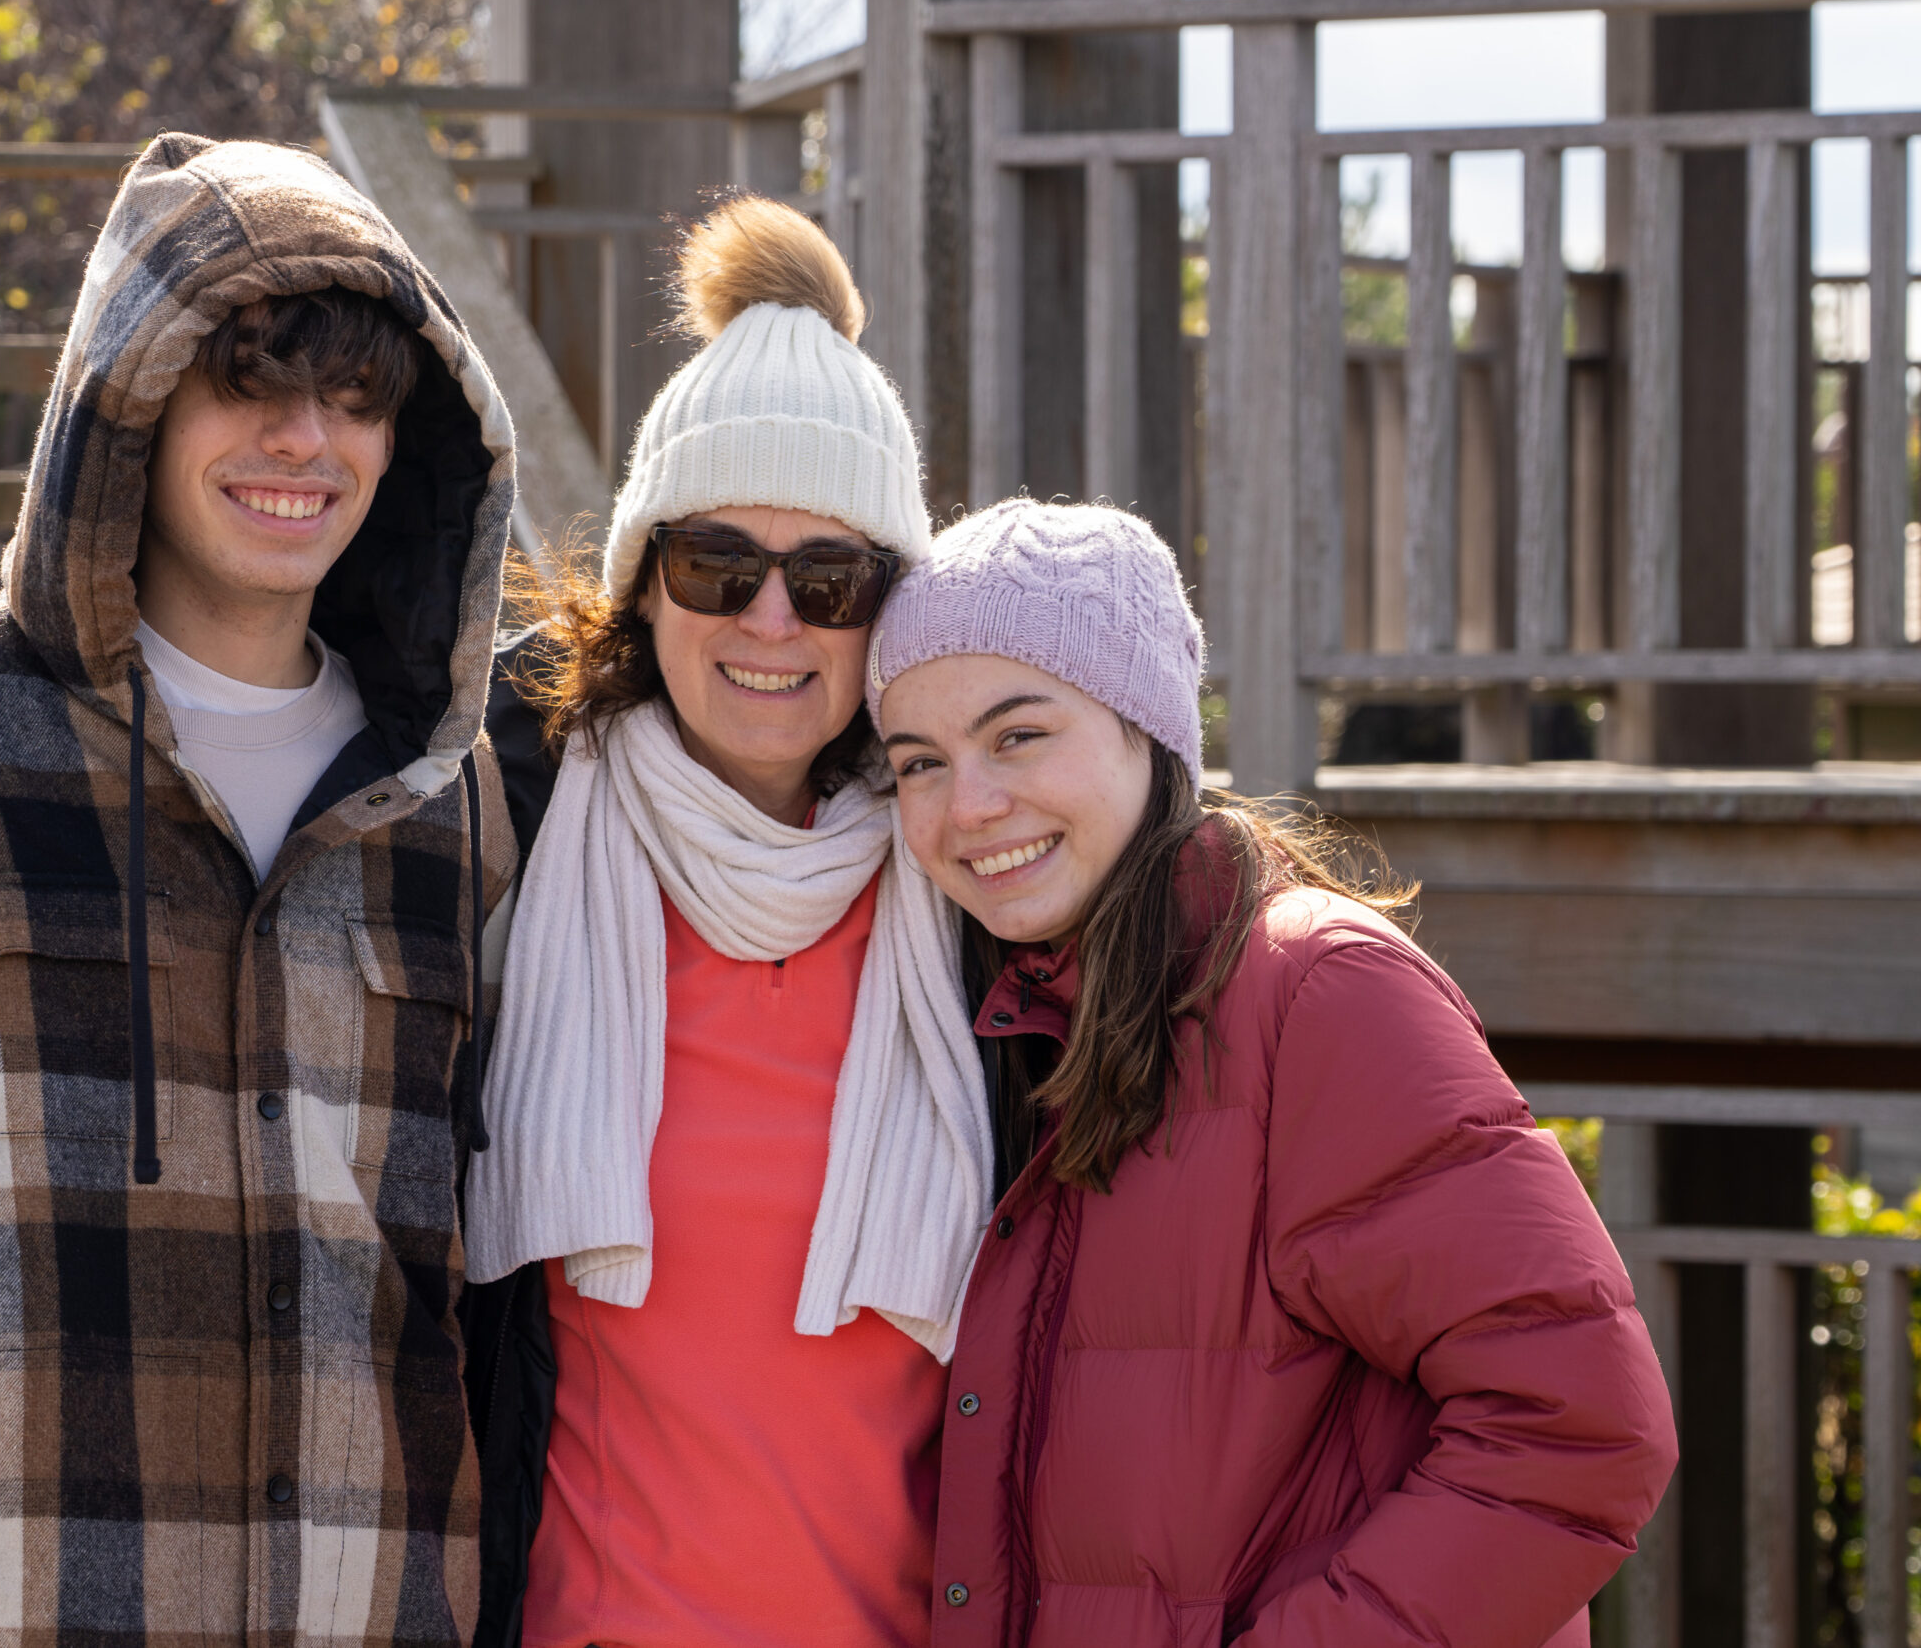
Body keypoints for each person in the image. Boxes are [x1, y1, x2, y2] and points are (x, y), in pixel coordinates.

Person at [0, 136, 523, 1646]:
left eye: (357, 395)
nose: (306, 440)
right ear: (129, 401)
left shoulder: (453, 800)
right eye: (250, 380)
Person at [868, 498, 1679, 1648]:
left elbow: (1580, 1425)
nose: (970, 806)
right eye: (919, 763)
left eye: (1018, 735)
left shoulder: (1315, 993)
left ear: (1145, 728)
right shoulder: (1016, 1021)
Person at [461, 194, 992, 1648]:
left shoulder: (981, 895)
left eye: (830, 580)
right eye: (717, 562)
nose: (771, 619)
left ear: (892, 612)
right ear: (644, 578)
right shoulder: (492, 838)